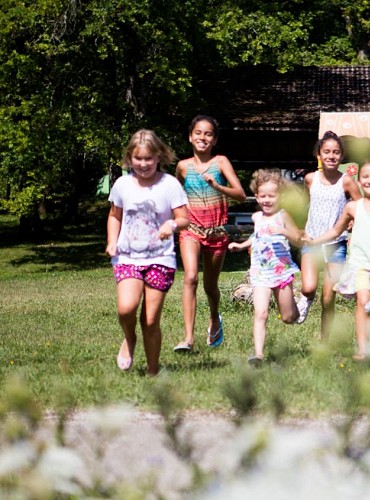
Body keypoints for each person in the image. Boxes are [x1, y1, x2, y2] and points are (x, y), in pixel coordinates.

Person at [106, 129, 189, 375]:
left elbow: (184, 218)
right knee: (126, 308)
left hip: (160, 259)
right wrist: (112, 241)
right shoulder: (122, 185)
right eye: (138, 158)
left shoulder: (169, 185)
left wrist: (170, 224)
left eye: (148, 159)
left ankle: (153, 370)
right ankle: (129, 339)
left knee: (151, 319)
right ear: (129, 158)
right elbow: (114, 216)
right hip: (127, 257)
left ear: (159, 157)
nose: (143, 164)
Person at [305, 160, 370, 360]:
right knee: (363, 302)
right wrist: (315, 240)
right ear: (359, 181)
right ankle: (363, 350)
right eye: (365, 176)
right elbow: (336, 230)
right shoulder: (352, 207)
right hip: (361, 266)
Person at [173, 115, 246, 353]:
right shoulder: (182, 167)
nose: (202, 137)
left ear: (214, 140)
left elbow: (240, 195)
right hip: (191, 231)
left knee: (210, 286)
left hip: (216, 233)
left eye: (208, 134)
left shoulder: (220, 162)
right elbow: (174, 197)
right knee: (190, 277)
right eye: (198, 133)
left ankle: (215, 317)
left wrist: (217, 186)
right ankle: (188, 339)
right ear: (190, 136)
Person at [228, 169, 304, 365]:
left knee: (288, 317)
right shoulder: (256, 218)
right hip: (260, 272)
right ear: (257, 196)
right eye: (263, 196)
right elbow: (257, 237)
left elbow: (298, 239)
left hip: (281, 271)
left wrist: (282, 230)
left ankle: (297, 309)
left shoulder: (283, 215)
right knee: (260, 312)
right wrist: (241, 245)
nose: (267, 200)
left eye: (272, 196)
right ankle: (258, 354)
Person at [297, 131, 362, 338]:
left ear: (342, 156)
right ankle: (303, 302)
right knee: (308, 287)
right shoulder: (309, 179)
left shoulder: (347, 181)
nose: (331, 156)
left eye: (335, 152)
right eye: (326, 152)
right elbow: (304, 205)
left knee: (328, 298)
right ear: (319, 154)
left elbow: (360, 206)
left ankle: (325, 341)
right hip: (311, 240)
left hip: (336, 244)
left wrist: (352, 221)